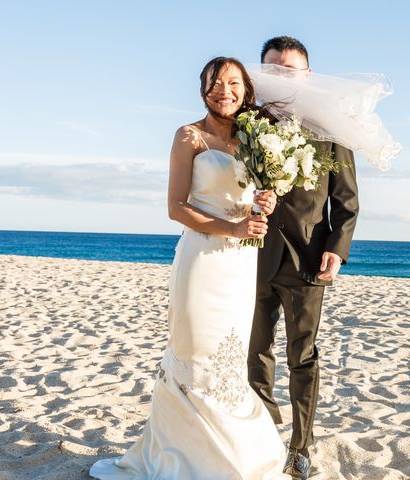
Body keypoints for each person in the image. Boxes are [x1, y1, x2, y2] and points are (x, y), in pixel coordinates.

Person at [90, 57, 287, 480]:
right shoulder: (188, 136)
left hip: (240, 261)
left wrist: (262, 204)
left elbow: (249, 197)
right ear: (203, 88)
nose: (225, 90)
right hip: (201, 259)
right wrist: (231, 225)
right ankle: (183, 457)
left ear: (246, 92)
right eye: (216, 83)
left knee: (230, 357)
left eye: (234, 83)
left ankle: (229, 457)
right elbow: (176, 207)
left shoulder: (257, 139)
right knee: (195, 352)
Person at [248, 36, 360, 480]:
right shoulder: (246, 121)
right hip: (249, 255)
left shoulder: (331, 128)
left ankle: (301, 445)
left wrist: (336, 249)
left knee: (303, 356)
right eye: (272, 69)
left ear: (307, 75)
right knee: (254, 352)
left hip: (307, 260)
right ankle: (259, 436)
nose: (280, 76)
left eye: (288, 70)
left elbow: (346, 203)